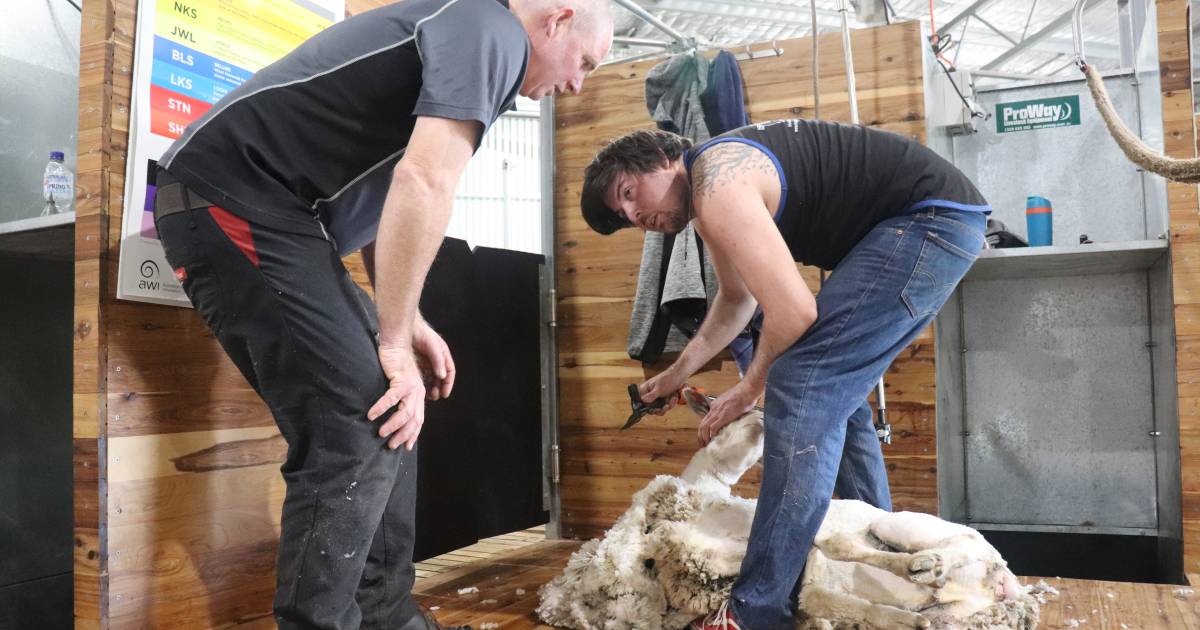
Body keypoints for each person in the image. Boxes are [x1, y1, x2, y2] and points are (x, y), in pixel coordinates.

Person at [150, 0, 612, 628]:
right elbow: (423, 181)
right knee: (356, 418)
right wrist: (391, 341)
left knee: (390, 411)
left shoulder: (478, 43)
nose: (578, 83)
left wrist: (408, 319)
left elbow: (387, 187)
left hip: (285, 215)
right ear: (558, 20)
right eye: (585, 62)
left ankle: (388, 616)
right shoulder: (492, 28)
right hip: (235, 193)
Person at [580, 119, 989, 630]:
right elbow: (736, 301)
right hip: (933, 219)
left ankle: (755, 611)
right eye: (625, 218)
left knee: (800, 383)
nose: (637, 215)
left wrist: (750, 388)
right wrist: (675, 373)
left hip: (928, 220)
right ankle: (874, 548)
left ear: (660, 158)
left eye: (628, 193)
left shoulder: (715, 182)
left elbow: (794, 313)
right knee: (835, 391)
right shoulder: (710, 198)